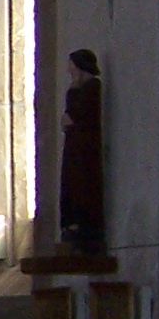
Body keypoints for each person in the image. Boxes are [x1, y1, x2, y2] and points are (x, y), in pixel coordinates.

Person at [58, 48, 106, 253]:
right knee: (71, 182)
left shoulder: (92, 87)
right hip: (74, 144)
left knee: (83, 183)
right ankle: (72, 223)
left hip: (84, 146)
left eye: (71, 65)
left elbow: (80, 113)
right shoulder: (75, 89)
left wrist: (71, 119)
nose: (69, 69)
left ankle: (84, 225)